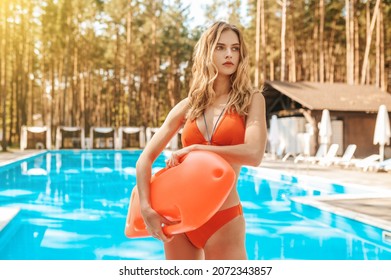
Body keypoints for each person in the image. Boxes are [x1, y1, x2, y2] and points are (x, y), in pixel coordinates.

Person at [135, 21, 267, 260]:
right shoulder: (189, 105)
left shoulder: (251, 99)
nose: (229, 54)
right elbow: (144, 159)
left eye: (235, 48)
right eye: (220, 47)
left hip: (222, 218)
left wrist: (197, 148)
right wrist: (146, 208)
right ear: (207, 52)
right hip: (179, 217)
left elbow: (254, 154)